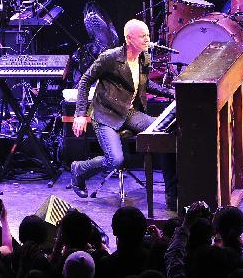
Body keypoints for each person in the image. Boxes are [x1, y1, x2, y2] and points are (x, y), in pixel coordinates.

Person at [70, 19, 178, 210]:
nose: (147, 39)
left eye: (147, 35)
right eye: (143, 36)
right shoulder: (110, 58)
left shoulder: (144, 57)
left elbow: (145, 84)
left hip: (129, 113)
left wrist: (172, 93)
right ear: (129, 39)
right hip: (106, 115)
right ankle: (79, 169)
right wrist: (80, 113)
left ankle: (173, 194)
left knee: (164, 134)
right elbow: (86, 80)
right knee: (115, 160)